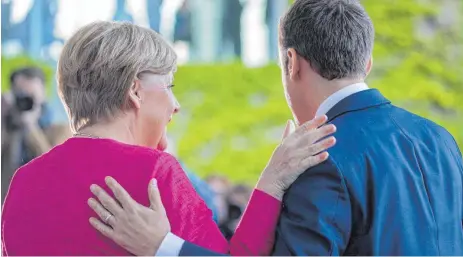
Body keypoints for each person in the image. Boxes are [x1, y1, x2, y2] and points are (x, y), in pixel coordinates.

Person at [87, 0, 463, 255]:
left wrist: (163, 246)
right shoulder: (442, 141)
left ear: (291, 62)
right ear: (366, 64)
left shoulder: (318, 154)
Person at [1, 21, 336, 256]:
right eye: (169, 86)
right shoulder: (155, 174)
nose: (175, 105)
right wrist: (273, 180)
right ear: (134, 89)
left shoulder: (22, 182)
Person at [1, 67, 69, 203]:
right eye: (20, 96)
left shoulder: (59, 129)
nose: (25, 102)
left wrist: (31, 126)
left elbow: (54, 167)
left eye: (31, 96)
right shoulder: (7, 128)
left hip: (39, 206)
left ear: (43, 95)